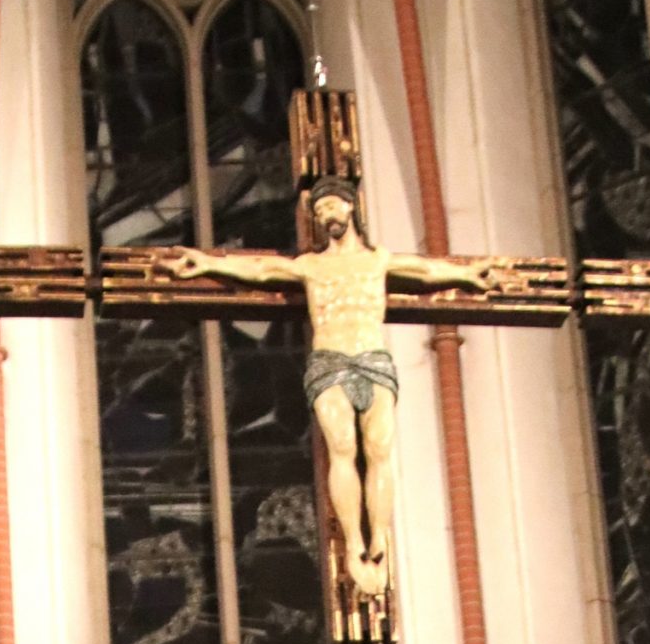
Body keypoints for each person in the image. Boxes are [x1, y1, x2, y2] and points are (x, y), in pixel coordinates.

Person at [168, 181, 498, 598]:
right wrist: (207, 263)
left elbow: (427, 271)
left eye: (331, 207)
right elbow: (261, 269)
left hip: (373, 358)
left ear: (350, 208)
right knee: (342, 447)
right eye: (320, 211)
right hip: (329, 361)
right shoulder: (311, 266)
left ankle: (380, 537)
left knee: (378, 448)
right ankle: (354, 543)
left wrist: (467, 273)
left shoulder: (378, 261)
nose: (326, 216)